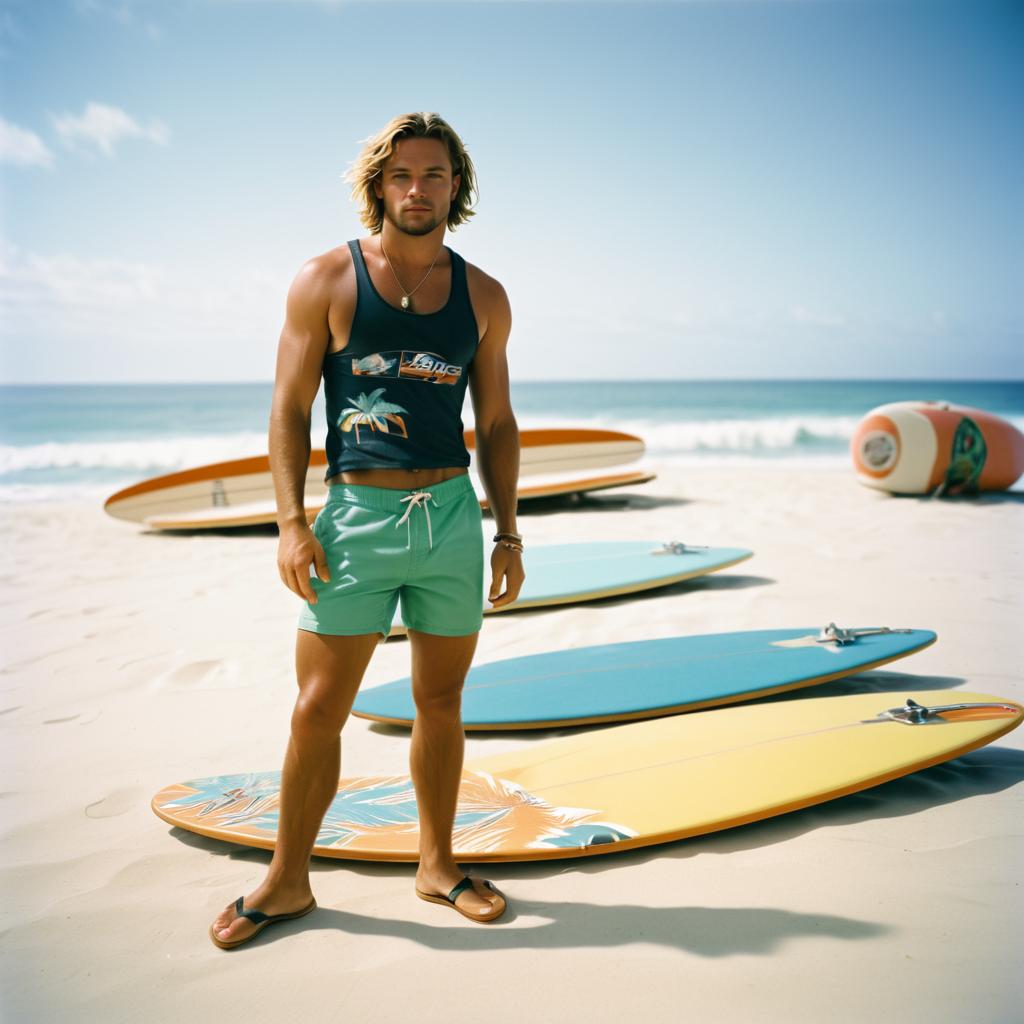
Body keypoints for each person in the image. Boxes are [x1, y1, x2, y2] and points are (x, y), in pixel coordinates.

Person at [210, 112, 523, 949]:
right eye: (402, 176)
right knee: (319, 708)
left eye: (435, 175)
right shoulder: (326, 280)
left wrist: (509, 534)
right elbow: (287, 407)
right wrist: (289, 521)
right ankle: (286, 881)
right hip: (354, 518)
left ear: (457, 187)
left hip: (452, 517)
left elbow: (495, 424)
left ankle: (438, 864)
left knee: (442, 701)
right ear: (378, 185)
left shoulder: (483, 295)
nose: (418, 190)